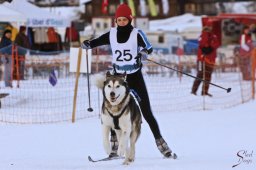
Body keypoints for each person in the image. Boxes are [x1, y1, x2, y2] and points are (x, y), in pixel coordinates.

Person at [81, 3, 174, 158]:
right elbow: (96, 42)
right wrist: (88, 44)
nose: (122, 22)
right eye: (119, 20)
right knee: (112, 111)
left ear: (130, 19)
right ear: (115, 21)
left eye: (125, 19)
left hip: (134, 77)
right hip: (118, 79)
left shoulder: (136, 33)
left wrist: (143, 53)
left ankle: (161, 143)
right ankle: (114, 146)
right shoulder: (111, 34)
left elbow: (148, 48)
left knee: (146, 112)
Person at [191, 25, 220, 97]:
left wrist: (211, 47)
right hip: (202, 60)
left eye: (209, 29)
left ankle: (204, 92)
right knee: (200, 75)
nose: (208, 30)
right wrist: (206, 34)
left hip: (210, 60)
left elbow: (217, 44)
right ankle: (193, 91)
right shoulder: (202, 37)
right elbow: (203, 44)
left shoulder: (213, 37)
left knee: (208, 77)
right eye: (206, 30)